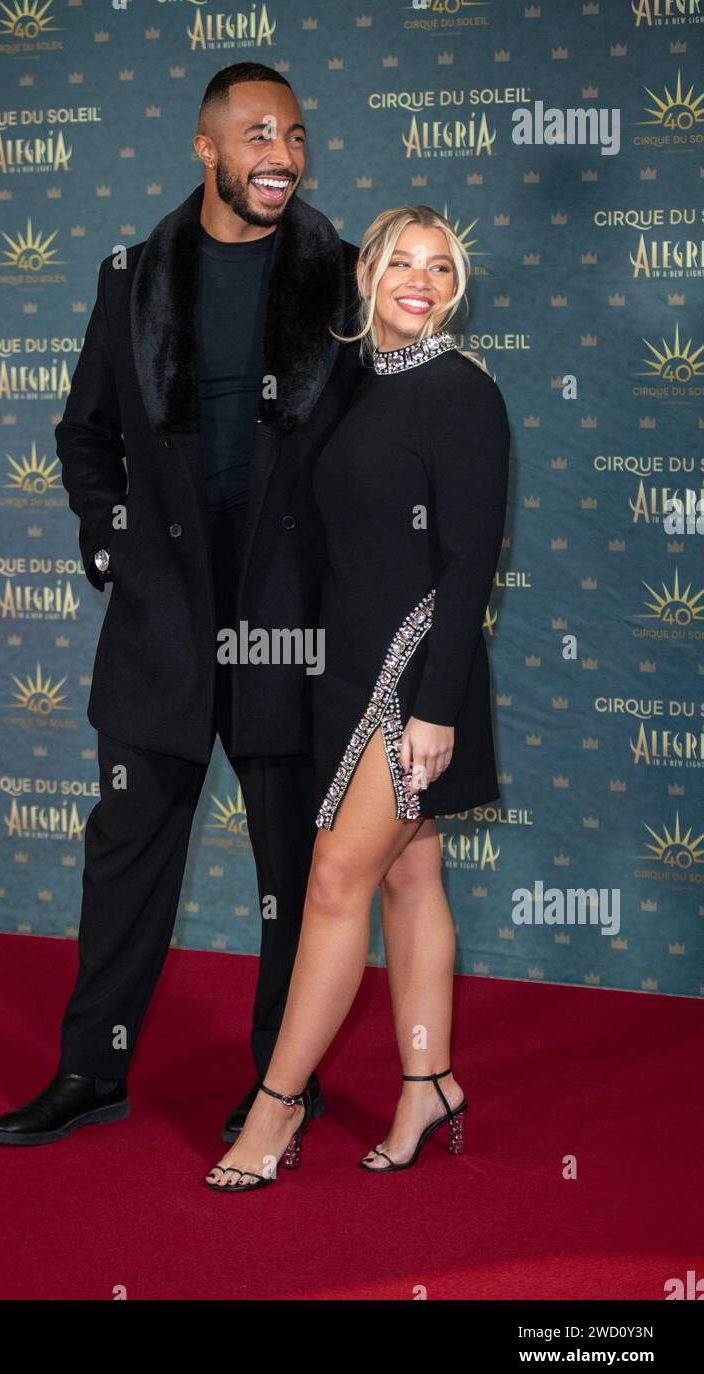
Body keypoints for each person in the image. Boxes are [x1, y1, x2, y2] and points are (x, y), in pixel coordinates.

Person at [0, 63, 368, 1147]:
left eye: (293, 136)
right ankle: (89, 1070)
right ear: (204, 148)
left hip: (287, 615)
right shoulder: (133, 277)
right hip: (163, 611)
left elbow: (385, 444)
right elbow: (84, 433)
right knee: (126, 851)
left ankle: (278, 1082)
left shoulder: (341, 278)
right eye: (256, 136)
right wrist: (109, 540)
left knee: (292, 865)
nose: (280, 156)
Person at [204, 205, 511, 1190]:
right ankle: (426, 1079)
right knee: (407, 874)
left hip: (413, 675)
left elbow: (467, 566)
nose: (420, 281)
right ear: (368, 274)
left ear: (454, 289)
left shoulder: (462, 393)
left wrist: (432, 708)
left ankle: (277, 1103)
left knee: (333, 881)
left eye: (440, 268)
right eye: (401, 262)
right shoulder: (348, 387)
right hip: (339, 673)